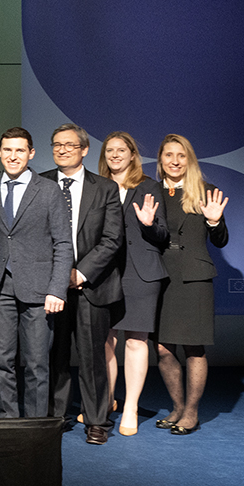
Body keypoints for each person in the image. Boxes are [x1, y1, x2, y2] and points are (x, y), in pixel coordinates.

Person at [40, 124, 123, 444]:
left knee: (92, 357)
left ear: (84, 150)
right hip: (51, 287)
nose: (62, 150)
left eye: (70, 145)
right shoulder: (40, 183)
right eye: (56, 144)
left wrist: (80, 273)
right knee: (54, 355)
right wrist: (58, 275)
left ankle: (97, 420)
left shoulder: (105, 188)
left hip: (91, 287)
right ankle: (56, 415)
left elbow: (112, 239)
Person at [0, 128, 73, 420]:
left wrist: (57, 289)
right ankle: (6, 421)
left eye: (20, 150)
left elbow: (63, 243)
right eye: (8, 150)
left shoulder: (48, 190)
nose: (13, 156)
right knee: (0, 361)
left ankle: (35, 427)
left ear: (31, 153)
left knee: (36, 363)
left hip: (39, 289)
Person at [154, 134, 229, 436]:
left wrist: (214, 221)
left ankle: (192, 412)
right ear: (160, 159)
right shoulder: (151, 192)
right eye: (169, 155)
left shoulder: (206, 192)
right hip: (160, 277)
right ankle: (177, 406)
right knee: (162, 348)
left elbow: (221, 241)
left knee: (193, 347)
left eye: (181, 155)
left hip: (194, 277)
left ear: (190, 160)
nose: (174, 161)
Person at [99, 131, 170, 437]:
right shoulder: (96, 186)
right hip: (104, 273)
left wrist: (149, 224)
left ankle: (130, 407)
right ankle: (105, 402)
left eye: (121, 150)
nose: (115, 155)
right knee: (105, 340)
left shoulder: (149, 186)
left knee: (135, 341)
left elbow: (163, 235)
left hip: (141, 274)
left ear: (132, 155)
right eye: (110, 150)